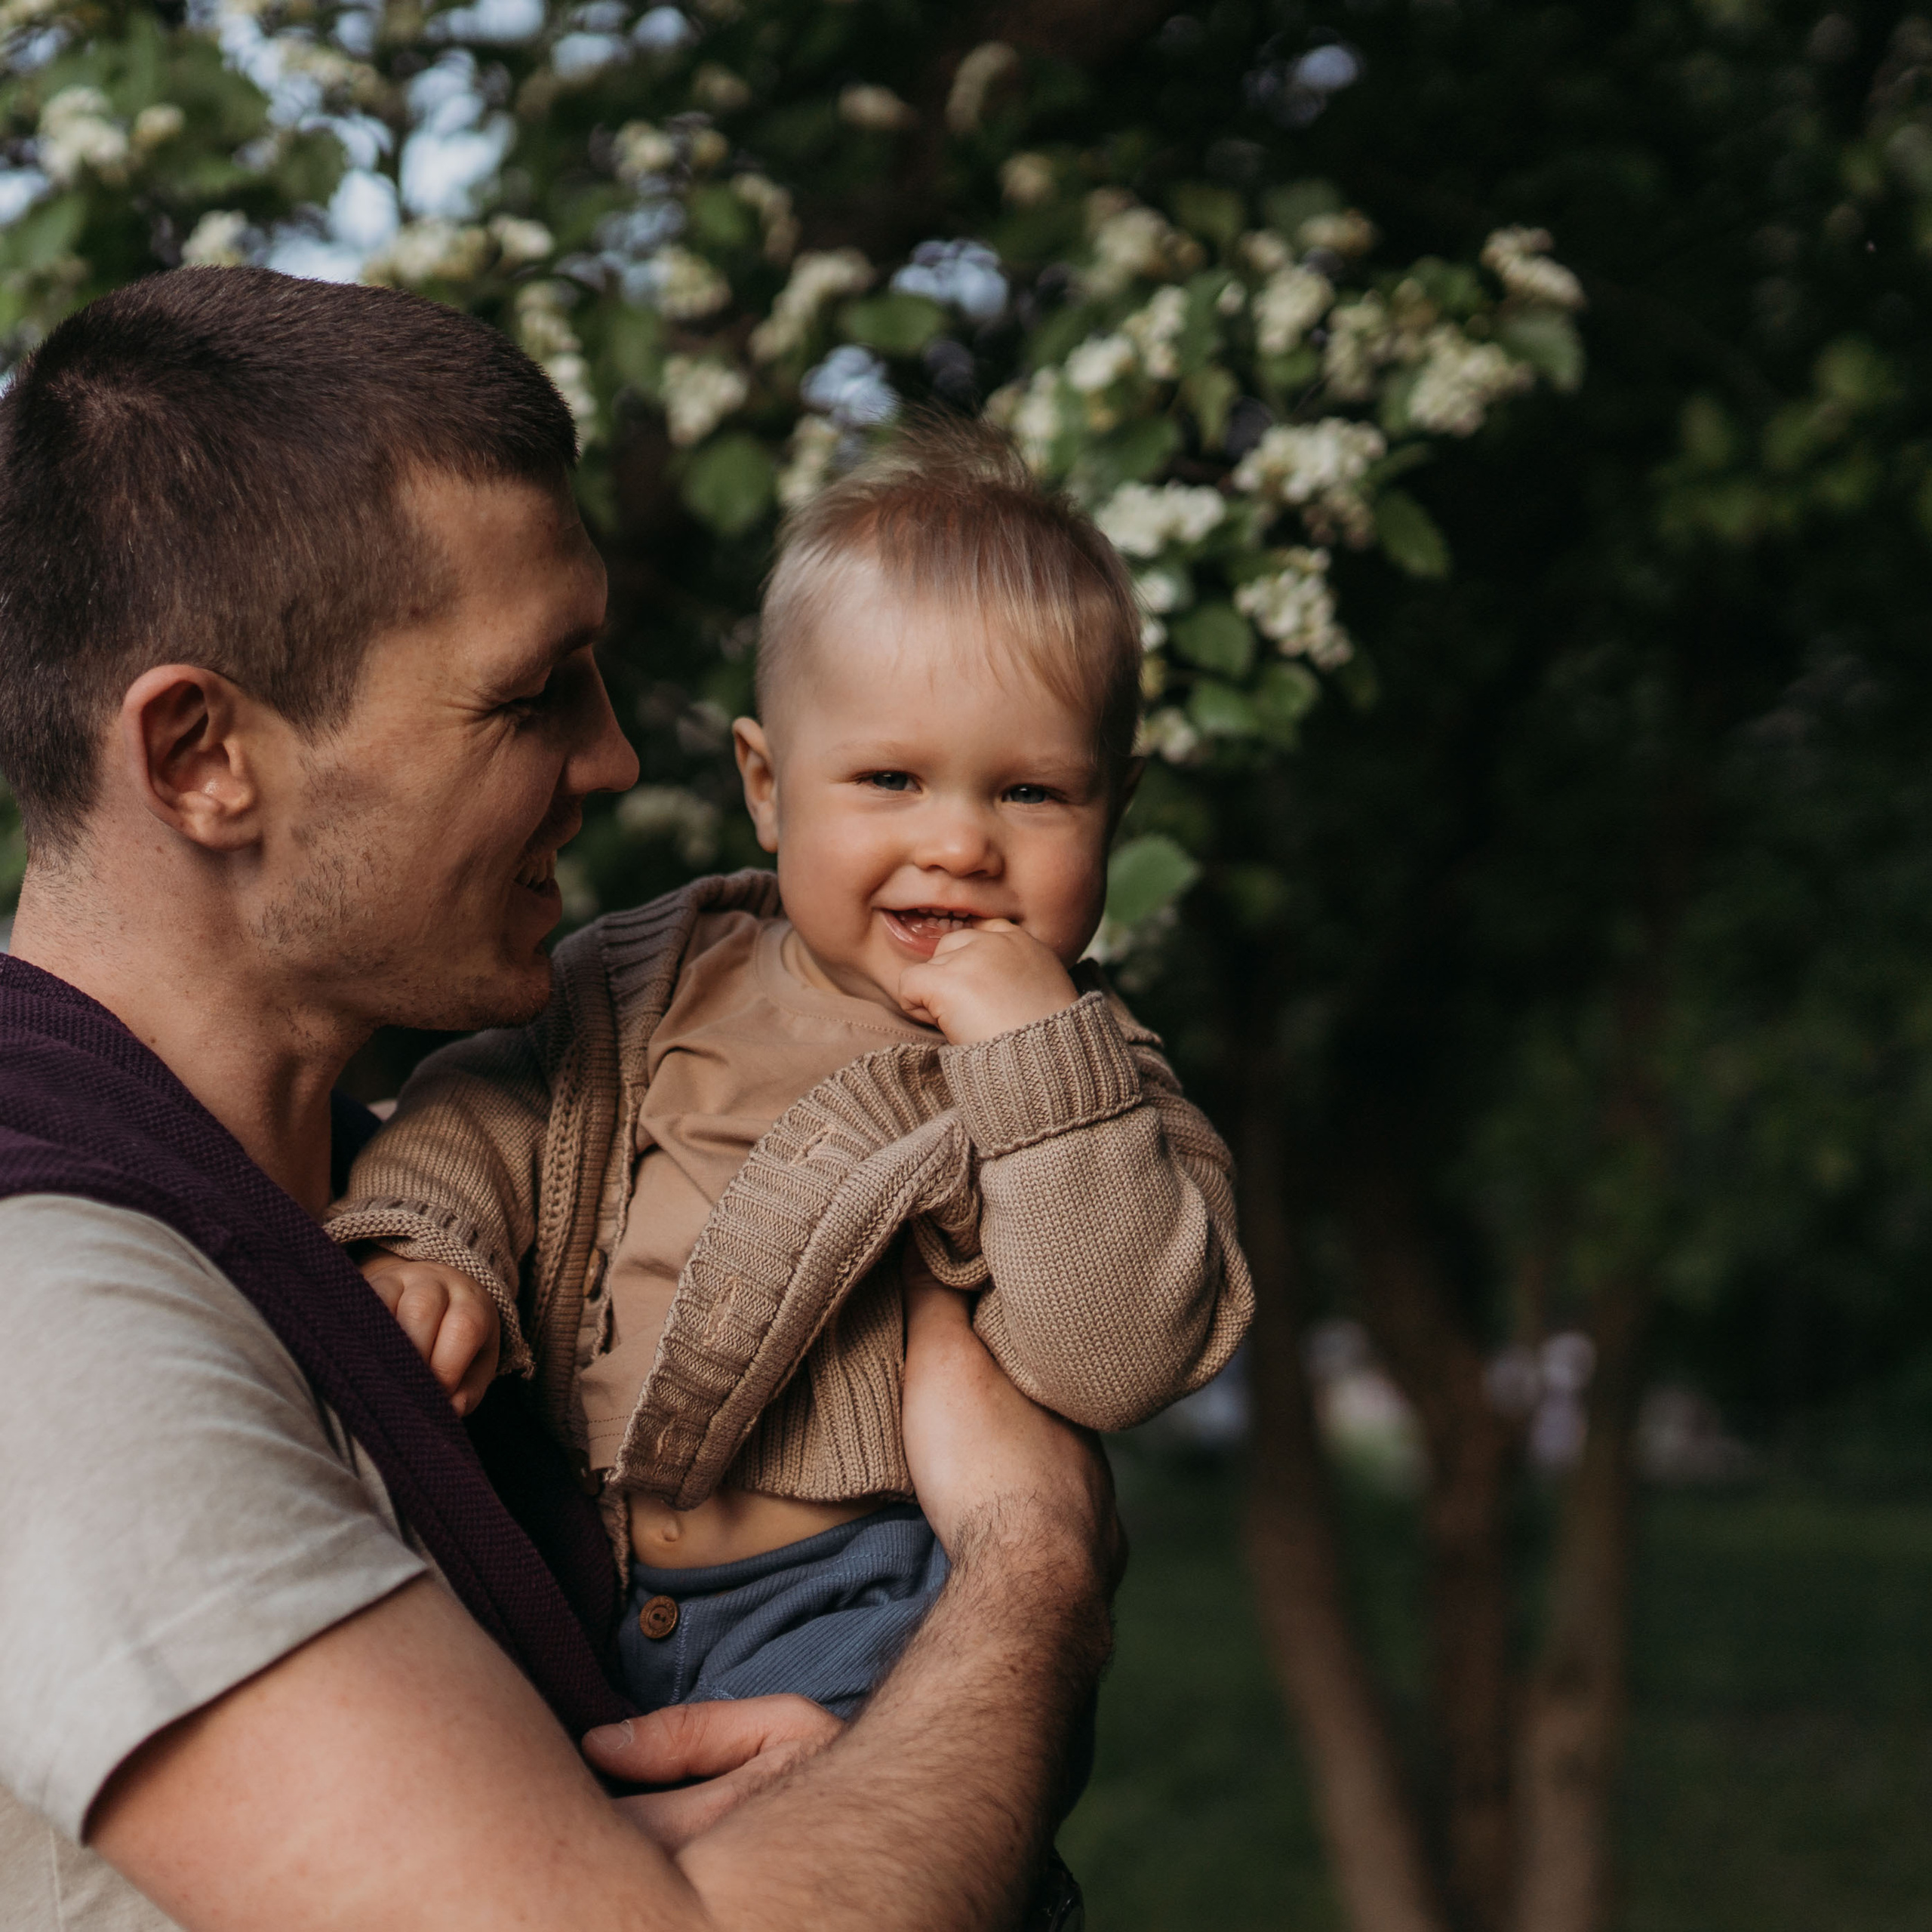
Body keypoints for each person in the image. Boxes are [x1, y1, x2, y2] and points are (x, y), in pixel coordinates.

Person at [0, 266, 1117, 1932]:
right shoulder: (55, 1318)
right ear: (200, 757)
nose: (608, 762)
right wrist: (1031, 1567)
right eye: (532, 695)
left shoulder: (445, 1211)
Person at [328, 417, 1253, 1722]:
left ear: (1117, 811)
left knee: (831, 1859)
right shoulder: (652, 977)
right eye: (889, 778)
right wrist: (434, 1240)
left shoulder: (1097, 1088)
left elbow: (1117, 1358)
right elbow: (498, 1100)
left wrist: (1039, 1060)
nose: (959, 844)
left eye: (1034, 796)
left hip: (864, 1600)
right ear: (768, 786)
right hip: (578, 1562)